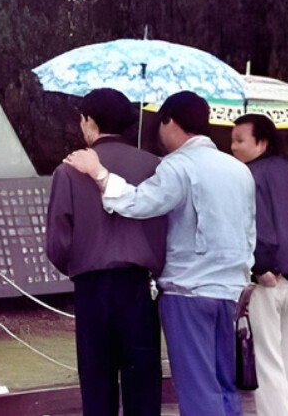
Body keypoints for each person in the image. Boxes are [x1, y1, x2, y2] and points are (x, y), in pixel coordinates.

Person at [65, 91, 256, 416]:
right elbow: (249, 231)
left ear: (170, 121)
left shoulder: (178, 166)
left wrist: (99, 174)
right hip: (231, 292)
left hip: (189, 292)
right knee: (225, 386)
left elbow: (139, 203)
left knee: (198, 389)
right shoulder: (238, 170)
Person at [45, 88, 168, 416]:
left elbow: (58, 242)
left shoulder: (69, 170)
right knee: (142, 382)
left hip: (91, 286)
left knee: (97, 383)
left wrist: (76, 264)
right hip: (139, 287)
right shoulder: (154, 166)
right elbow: (164, 230)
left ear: (89, 122)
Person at [230, 113, 288, 416]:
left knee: (268, 360)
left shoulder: (249, 176)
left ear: (261, 141)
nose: (233, 146)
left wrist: (261, 267)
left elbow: (256, 226)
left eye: (239, 139)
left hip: (268, 277)